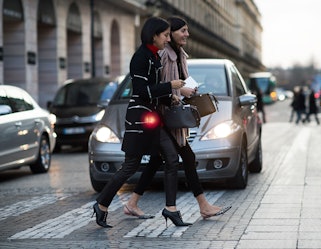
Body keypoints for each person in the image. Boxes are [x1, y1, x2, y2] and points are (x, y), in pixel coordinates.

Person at [124, 16, 231, 222]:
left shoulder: (180, 54)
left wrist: (188, 90)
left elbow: (176, 82)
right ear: (170, 33)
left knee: (157, 160)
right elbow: (162, 83)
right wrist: (180, 90)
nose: (187, 34)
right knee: (185, 157)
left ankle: (133, 202)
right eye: (182, 30)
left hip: (171, 114)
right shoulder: (163, 54)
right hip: (164, 116)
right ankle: (199, 206)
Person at [92, 16, 187, 228]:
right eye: (164, 35)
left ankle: (171, 209)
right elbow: (142, 91)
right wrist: (169, 85)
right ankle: (102, 204)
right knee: (130, 166)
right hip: (139, 118)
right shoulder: (141, 58)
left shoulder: (154, 57)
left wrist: (168, 97)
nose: (166, 39)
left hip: (150, 117)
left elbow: (152, 91)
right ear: (154, 35)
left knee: (171, 158)